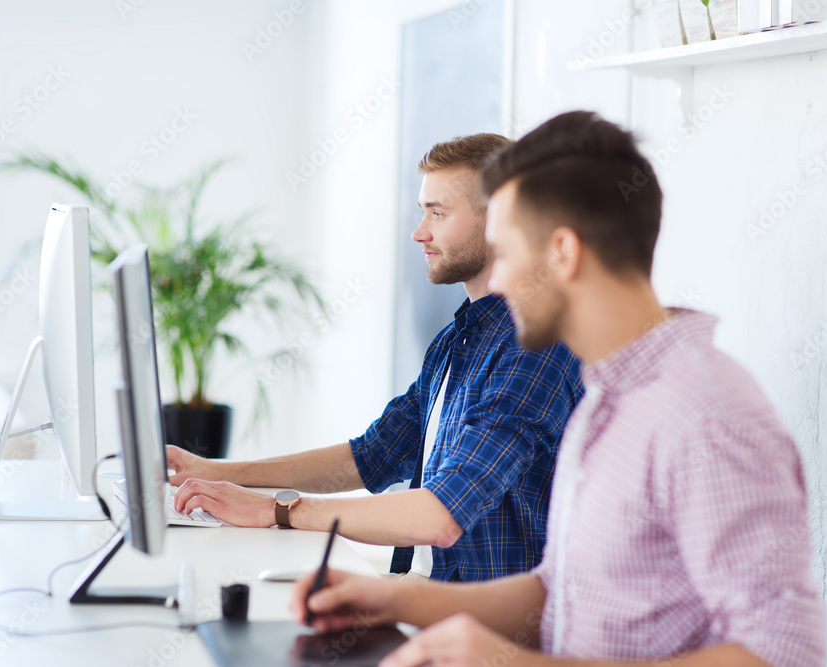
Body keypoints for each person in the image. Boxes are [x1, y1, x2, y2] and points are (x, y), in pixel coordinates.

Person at [287, 111, 827, 666]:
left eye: (508, 252)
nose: (495, 280)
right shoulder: (608, 399)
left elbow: (783, 653)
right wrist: (397, 598)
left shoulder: (705, 413)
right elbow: (562, 591)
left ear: (562, 253)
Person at [169, 133, 583, 582]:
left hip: (488, 632)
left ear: (499, 219)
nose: (419, 232)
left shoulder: (534, 348)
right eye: (422, 211)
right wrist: (217, 474)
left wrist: (278, 510)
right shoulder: (456, 340)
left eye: (437, 213)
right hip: (430, 599)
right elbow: (370, 456)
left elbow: (443, 514)